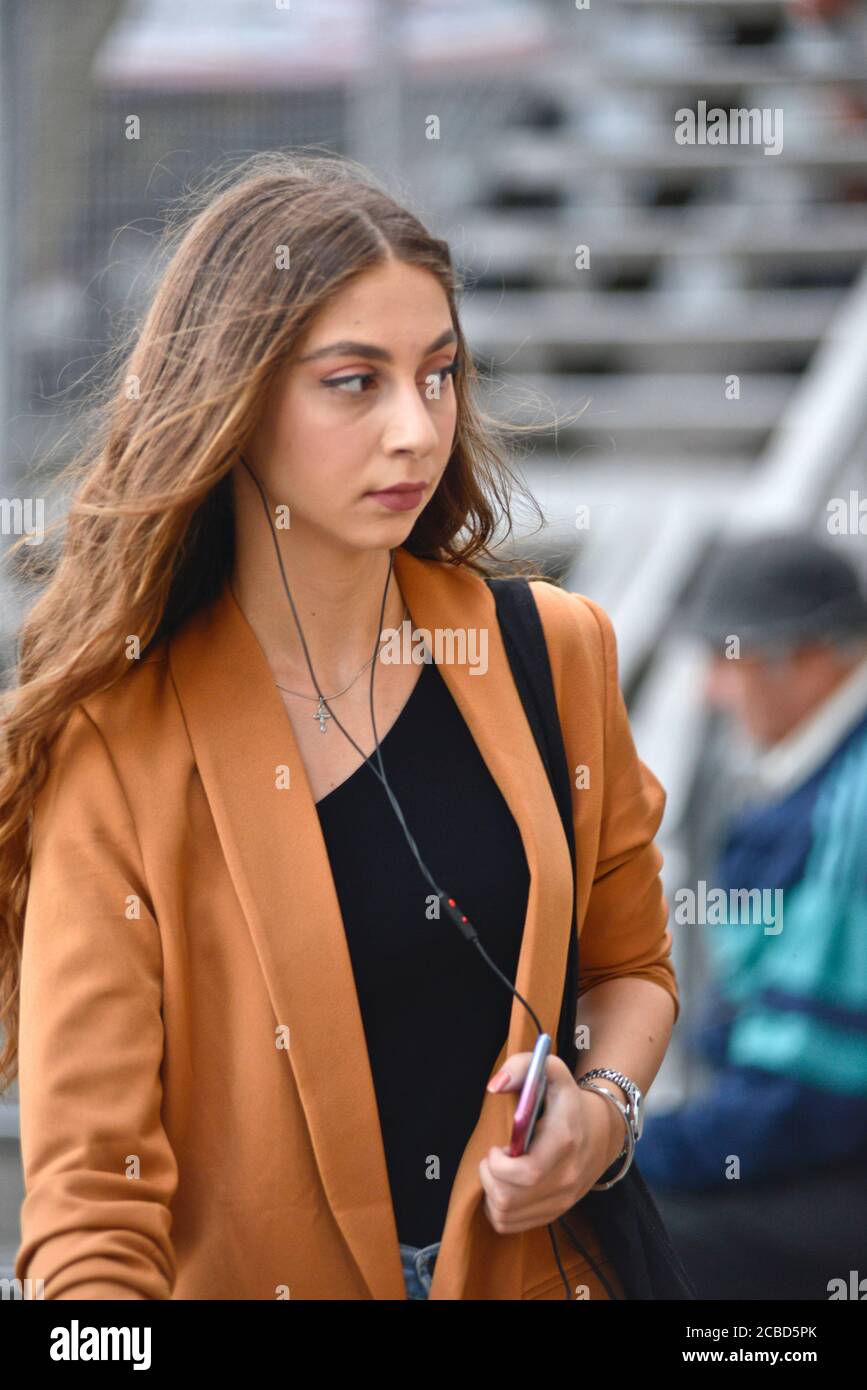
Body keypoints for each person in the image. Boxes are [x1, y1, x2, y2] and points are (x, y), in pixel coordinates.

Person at [1, 150, 682, 1301]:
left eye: (439, 374)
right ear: (235, 397)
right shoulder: (118, 744)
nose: (416, 431)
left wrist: (602, 1116)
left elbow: (634, 968)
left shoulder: (554, 654)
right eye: (354, 381)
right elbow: (93, 1211)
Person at [640, 532, 867, 1299]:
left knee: (624, 1223)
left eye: (725, 659)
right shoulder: (817, 776)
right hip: (824, 1141)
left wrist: (614, 1144)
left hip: (836, 1152)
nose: (711, 690)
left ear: (806, 658)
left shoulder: (851, 801)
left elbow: (803, 1094)